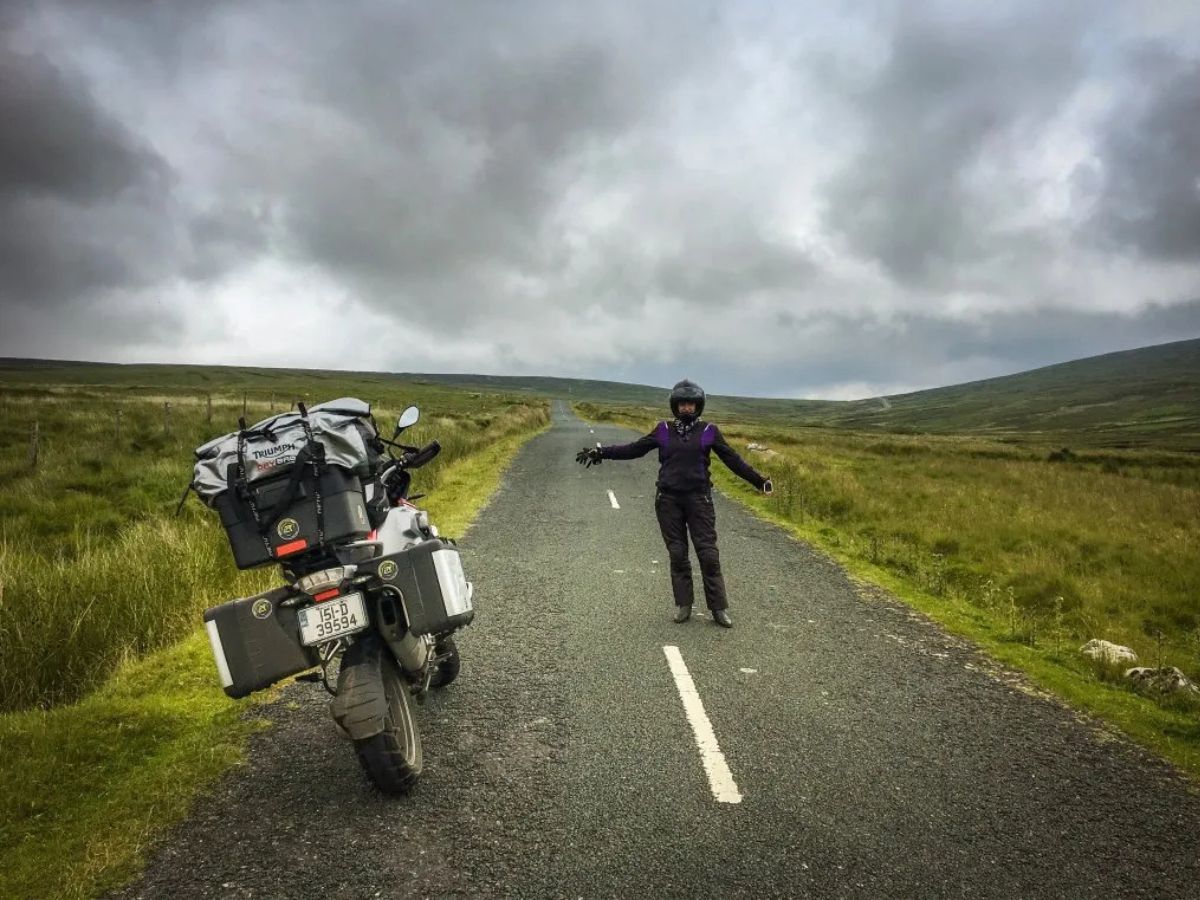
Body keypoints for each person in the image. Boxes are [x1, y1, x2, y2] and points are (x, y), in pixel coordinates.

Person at [575, 379, 773, 627]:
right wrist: (602, 452)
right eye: (682, 404)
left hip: (699, 500)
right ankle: (684, 605)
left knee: (708, 554)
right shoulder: (663, 430)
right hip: (668, 501)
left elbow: (733, 460)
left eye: (691, 404)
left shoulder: (709, 430)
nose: (686, 408)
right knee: (678, 553)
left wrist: (759, 481)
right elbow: (634, 449)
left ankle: (718, 608)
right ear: (675, 405)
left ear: (698, 406)